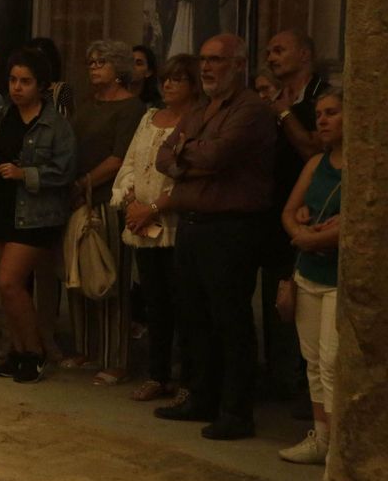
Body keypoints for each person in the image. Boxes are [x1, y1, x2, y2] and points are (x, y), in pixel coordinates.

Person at [153, 34, 276, 440]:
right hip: (193, 225)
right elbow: (163, 155)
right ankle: (201, 396)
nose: (206, 67)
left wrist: (187, 158)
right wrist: (192, 157)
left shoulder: (252, 110)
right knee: (194, 319)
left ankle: (236, 411)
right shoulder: (202, 110)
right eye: (203, 60)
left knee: (230, 321)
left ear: (239, 65)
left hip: (231, 230)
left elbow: (218, 156)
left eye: (216, 60)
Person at [0, 50, 77, 383]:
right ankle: (18, 350)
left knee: (10, 281)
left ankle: (35, 353)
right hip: (1, 207)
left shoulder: (55, 124)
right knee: (8, 288)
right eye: (13, 80)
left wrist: (26, 174)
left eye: (25, 82)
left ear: (42, 86)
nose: (17, 87)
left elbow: (64, 171)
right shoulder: (4, 114)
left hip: (35, 214)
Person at [113, 54, 201, 401]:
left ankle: (188, 378)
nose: (168, 85)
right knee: (154, 303)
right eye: (165, 79)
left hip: (176, 223)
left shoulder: (197, 121)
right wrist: (132, 199)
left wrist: (153, 208)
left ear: (193, 85)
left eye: (177, 79)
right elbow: (133, 161)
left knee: (185, 304)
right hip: (143, 223)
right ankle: (158, 373)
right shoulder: (150, 117)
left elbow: (187, 174)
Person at [67, 41, 147, 381]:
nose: (94, 67)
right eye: (91, 61)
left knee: (109, 276)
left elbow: (119, 158)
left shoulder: (131, 108)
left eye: (102, 62)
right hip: (77, 200)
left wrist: (84, 182)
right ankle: (86, 349)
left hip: (107, 199)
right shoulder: (85, 105)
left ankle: (115, 358)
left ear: (119, 69)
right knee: (80, 273)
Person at [261, 29, 329, 403]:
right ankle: (277, 374)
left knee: (303, 297)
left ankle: (307, 386)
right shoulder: (273, 98)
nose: (271, 57)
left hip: (308, 211)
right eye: (269, 51)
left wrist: (283, 112)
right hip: (271, 209)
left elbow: (311, 149)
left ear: (304, 55)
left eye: (280, 50)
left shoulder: (322, 97)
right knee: (276, 293)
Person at [278, 88, 345, 465]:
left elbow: (356, 222)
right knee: (313, 360)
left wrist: (314, 236)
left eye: (331, 113)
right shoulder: (315, 163)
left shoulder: (360, 168)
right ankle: (321, 437)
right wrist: (301, 233)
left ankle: (339, 448)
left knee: (334, 361)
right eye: (319, 113)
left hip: (337, 277)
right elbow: (288, 210)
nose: (321, 120)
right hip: (309, 272)